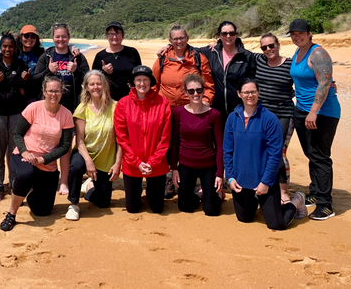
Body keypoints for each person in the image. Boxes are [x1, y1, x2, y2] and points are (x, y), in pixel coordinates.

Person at [223, 78, 307, 230]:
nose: (250, 95)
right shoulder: (232, 118)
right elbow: (227, 151)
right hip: (241, 181)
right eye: (246, 92)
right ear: (239, 94)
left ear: (259, 92)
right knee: (244, 218)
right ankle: (256, 201)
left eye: (253, 91)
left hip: (264, 181)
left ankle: (297, 201)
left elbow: (275, 155)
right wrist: (229, 177)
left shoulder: (269, 119)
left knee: (277, 224)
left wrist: (265, 183)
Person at [0, 75, 74, 232]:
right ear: (44, 92)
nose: (53, 94)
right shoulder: (33, 108)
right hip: (24, 157)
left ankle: (30, 192)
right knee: (26, 173)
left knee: (43, 212)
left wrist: (43, 159)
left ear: (62, 92)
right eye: (50, 91)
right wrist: (25, 152)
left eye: (57, 91)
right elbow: (17, 134)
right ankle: (11, 214)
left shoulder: (66, 115)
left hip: (47, 164)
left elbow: (65, 146)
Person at [288, 19, 341, 220]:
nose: (296, 36)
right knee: (311, 153)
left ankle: (326, 204)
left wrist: (314, 112)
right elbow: (305, 80)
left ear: (310, 33)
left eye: (300, 33)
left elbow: (324, 83)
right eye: (293, 33)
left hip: (322, 113)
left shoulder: (318, 53)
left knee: (320, 156)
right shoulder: (298, 52)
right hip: (302, 110)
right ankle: (316, 191)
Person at [33, 23, 90, 194]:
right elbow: (36, 80)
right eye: (57, 36)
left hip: (71, 109)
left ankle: (64, 182)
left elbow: (88, 79)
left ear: (68, 37)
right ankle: (48, 178)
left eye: (64, 36)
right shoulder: (47, 56)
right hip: (49, 111)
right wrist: (48, 71)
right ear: (53, 38)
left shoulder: (76, 56)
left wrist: (77, 70)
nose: (60, 39)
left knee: (65, 147)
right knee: (48, 146)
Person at [114, 66, 171, 214]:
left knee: (157, 209)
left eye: (145, 80)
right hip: (133, 164)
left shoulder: (163, 103)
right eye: (138, 80)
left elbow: (165, 138)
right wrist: (137, 163)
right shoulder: (123, 103)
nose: (142, 83)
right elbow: (121, 137)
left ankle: (151, 193)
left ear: (150, 82)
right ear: (133, 82)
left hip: (156, 165)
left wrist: (153, 162)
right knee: (132, 209)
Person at [66, 70, 122, 221]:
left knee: (103, 203)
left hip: (105, 159)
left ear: (105, 85)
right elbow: (79, 141)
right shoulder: (82, 109)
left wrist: (118, 163)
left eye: (99, 83)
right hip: (84, 154)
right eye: (92, 84)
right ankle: (73, 203)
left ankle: (89, 187)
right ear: (86, 87)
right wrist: (88, 162)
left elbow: (121, 140)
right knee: (76, 166)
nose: (96, 87)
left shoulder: (116, 107)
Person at [170, 74, 223, 216]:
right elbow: (174, 142)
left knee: (211, 210)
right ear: (185, 92)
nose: (195, 94)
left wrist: (219, 174)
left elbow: (219, 146)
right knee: (185, 207)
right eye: (191, 91)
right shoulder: (178, 113)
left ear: (203, 91)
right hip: (186, 166)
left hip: (208, 166)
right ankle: (200, 194)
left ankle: (216, 195)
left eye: (199, 90)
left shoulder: (214, 114)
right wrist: (174, 168)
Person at [0, 32, 27, 200]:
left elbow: (25, 89)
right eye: (4, 46)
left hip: (16, 113)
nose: (7, 49)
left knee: (15, 151)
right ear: (0, 48)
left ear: (15, 48)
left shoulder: (20, 65)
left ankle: (14, 183)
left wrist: (26, 80)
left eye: (10, 46)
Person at [254, 33, 295, 203]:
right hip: (261, 114)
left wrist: (329, 82)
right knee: (260, 150)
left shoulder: (291, 64)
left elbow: (307, 77)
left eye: (271, 45)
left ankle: (284, 192)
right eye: (264, 47)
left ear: (278, 45)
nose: (268, 50)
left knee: (278, 152)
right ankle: (264, 184)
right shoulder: (258, 61)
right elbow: (235, 51)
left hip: (283, 114)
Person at [198, 21, 256, 123]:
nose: (228, 36)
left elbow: (253, 82)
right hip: (215, 111)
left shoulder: (247, 56)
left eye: (231, 33)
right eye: (224, 34)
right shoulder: (211, 52)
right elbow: (186, 49)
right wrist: (168, 46)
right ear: (219, 35)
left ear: (236, 35)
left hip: (239, 110)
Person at [92, 21, 142, 101]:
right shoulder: (100, 56)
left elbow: (139, 73)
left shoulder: (132, 52)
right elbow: (94, 80)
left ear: (122, 35)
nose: (114, 37)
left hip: (130, 98)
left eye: (118, 33)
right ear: (107, 35)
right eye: (111, 34)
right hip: (108, 99)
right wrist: (104, 72)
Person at [16, 24, 45, 104]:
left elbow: (57, 49)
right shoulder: (14, 53)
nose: (29, 39)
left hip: (36, 97)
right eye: (26, 36)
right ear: (20, 37)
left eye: (33, 36)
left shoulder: (41, 53)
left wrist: (72, 47)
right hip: (16, 98)